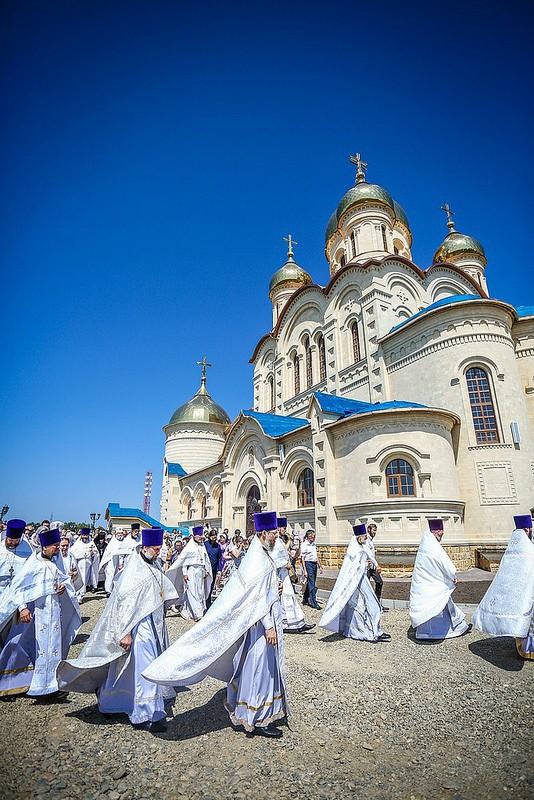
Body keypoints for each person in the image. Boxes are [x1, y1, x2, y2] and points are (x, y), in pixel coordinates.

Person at [143, 511, 289, 738]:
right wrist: (269, 626)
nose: (276, 536)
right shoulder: (258, 559)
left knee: (258, 668)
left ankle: (256, 710)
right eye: (272, 533)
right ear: (262, 533)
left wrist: (275, 589)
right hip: (261, 626)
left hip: (258, 623)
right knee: (259, 669)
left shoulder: (262, 554)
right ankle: (256, 717)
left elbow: (263, 591)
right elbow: (257, 599)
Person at [58, 528, 179, 732]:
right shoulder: (135, 569)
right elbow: (124, 603)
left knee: (128, 667)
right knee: (144, 666)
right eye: (156, 549)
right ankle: (145, 714)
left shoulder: (154, 563)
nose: (159, 553)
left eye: (159, 549)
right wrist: (125, 632)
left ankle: (110, 700)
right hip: (138, 627)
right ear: (146, 547)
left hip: (154, 623)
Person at [0, 527, 81, 700]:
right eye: (54, 546)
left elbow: (63, 580)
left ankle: (49, 686)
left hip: (53, 615)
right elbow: (18, 588)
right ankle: (10, 683)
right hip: (34, 617)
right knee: (19, 646)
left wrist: (62, 588)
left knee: (53, 648)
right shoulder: (33, 563)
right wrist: (22, 608)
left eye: (59, 545)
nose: (57, 549)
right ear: (44, 547)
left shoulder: (55, 561)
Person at [472, 514, 534, 660]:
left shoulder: (515, 544)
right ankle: (528, 648)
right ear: (527, 529)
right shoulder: (526, 547)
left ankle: (525, 647)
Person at [320, 524, 389, 642]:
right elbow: (352, 569)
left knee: (369, 605)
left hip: (361, 580)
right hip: (354, 583)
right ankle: (368, 632)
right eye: (363, 536)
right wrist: (365, 565)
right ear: (358, 537)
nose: (365, 538)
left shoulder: (361, 546)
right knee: (360, 607)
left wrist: (375, 564)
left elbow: (369, 554)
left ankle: (372, 631)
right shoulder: (354, 551)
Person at [409, 519, 470, 640]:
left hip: (425, 581)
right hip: (432, 582)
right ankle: (441, 632)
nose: (443, 534)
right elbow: (444, 562)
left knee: (438, 604)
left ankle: (427, 632)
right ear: (438, 531)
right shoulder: (433, 545)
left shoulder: (426, 542)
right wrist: (452, 575)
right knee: (438, 603)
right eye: (442, 531)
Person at [274, 521, 314, 634]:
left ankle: (298, 623)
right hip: (280, 574)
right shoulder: (275, 542)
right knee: (284, 599)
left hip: (285, 574)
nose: (284, 529)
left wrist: (298, 545)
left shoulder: (281, 541)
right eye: (282, 527)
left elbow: (292, 555)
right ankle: (285, 623)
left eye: (285, 527)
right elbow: (273, 558)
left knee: (290, 597)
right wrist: (284, 563)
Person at [166, 526, 211, 621]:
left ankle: (188, 609)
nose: (201, 537)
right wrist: (185, 573)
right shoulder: (189, 547)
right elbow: (183, 562)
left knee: (199, 592)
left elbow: (206, 559)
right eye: (199, 535)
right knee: (192, 591)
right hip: (191, 571)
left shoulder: (202, 546)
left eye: (201, 535)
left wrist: (206, 569)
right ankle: (198, 613)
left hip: (200, 571)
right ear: (194, 536)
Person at [99, 530, 138, 595]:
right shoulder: (112, 542)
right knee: (110, 575)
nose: (120, 535)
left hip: (121, 561)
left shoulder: (125, 541)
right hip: (112, 561)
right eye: (118, 533)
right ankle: (108, 590)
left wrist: (121, 562)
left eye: (121, 533)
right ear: (115, 534)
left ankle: (116, 589)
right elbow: (107, 553)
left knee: (119, 575)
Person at [0, 519, 33, 596]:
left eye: (16, 541)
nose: (12, 543)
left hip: (18, 591)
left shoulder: (27, 549)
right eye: (10, 540)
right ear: (6, 537)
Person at [70, 527, 100, 599]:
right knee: (79, 579)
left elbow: (96, 554)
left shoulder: (91, 543)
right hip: (79, 565)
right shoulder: (77, 544)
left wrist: (93, 553)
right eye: (83, 535)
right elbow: (72, 553)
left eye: (86, 535)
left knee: (85, 580)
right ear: (81, 535)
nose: (85, 537)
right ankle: (78, 595)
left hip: (88, 565)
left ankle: (81, 595)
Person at [366, 523, 387, 610]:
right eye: (373, 530)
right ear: (369, 530)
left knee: (379, 582)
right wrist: (377, 565)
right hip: (366, 567)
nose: (375, 532)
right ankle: (366, 605)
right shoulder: (366, 540)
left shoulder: (371, 540)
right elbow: (368, 554)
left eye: (375, 531)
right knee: (365, 586)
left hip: (372, 567)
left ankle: (376, 604)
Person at [301, 530, 321, 609]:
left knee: (311, 582)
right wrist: (305, 570)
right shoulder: (304, 545)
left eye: (314, 537)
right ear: (308, 537)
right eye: (311, 537)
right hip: (308, 563)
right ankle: (314, 603)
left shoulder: (313, 544)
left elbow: (315, 556)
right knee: (312, 583)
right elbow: (302, 558)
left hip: (314, 564)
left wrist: (319, 565)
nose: (313, 538)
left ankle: (305, 599)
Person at [204, 529, 223, 608]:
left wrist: (219, 569)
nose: (214, 539)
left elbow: (219, 558)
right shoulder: (205, 544)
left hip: (214, 569)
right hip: (205, 569)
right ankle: (203, 602)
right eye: (212, 537)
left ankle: (208, 602)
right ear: (209, 536)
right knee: (204, 586)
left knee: (211, 585)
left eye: (215, 537)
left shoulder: (218, 546)